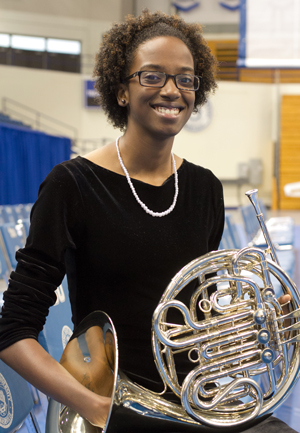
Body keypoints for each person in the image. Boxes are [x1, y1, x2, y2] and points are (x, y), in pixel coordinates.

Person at [0, 9, 295, 433]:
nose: (172, 90)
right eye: (153, 76)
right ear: (121, 91)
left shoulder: (205, 189)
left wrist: (257, 325)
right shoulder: (73, 185)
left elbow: (199, 316)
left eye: (185, 78)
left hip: (197, 405)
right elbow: (12, 332)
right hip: (117, 408)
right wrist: (95, 407)